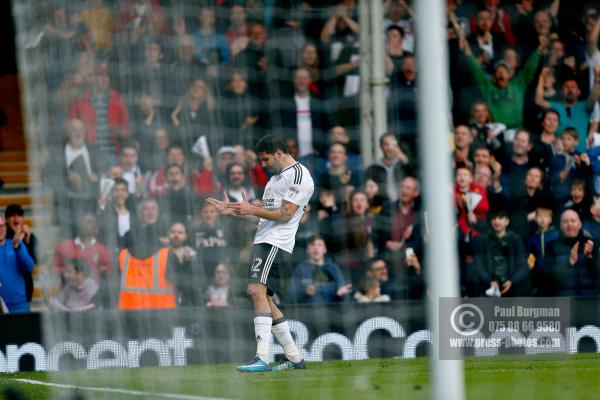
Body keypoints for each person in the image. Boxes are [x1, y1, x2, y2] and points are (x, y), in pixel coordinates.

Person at [208, 134, 314, 372]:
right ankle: (295, 359)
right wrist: (235, 210)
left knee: (255, 291)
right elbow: (263, 213)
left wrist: (250, 207)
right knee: (265, 299)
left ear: (278, 153)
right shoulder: (276, 178)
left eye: (265, 159)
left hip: (276, 243)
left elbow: (285, 214)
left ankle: (262, 359)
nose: (263, 165)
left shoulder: (299, 175)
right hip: (264, 239)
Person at [472, 210, 530, 297]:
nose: (497, 221)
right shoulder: (483, 240)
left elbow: (523, 266)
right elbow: (478, 265)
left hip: (513, 289)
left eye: (500, 218)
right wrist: (489, 281)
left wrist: (512, 281)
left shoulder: (516, 240)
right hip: (488, 289)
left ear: (507, 221)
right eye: (494, 218)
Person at [543, 210, 600, 296]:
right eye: (565, 221)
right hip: (564, 302)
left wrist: (589, 257)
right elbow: (547, 278)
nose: (569, 224)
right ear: (560, 225)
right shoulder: (551, 247)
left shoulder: (592, 244)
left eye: (573, 221)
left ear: (580, 224)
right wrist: (569, 262)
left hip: (590, 302)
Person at [286, 235, 351, 304]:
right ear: (307, 249)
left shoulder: (333, 268)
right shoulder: (300, 269)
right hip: (307, 312)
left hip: (332, 311)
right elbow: (289, 296)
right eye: (312, 245)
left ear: (325, 249)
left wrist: (343, 293)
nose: (316, 248)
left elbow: (342, 290)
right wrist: (304, 292)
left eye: (320, 245)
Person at [0, 215, 35, 313]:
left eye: (2, 226)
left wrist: (17, 246)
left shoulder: (16, 243)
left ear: (6, 227)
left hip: (20, 305)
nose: (0, 230)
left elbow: (30, 266)